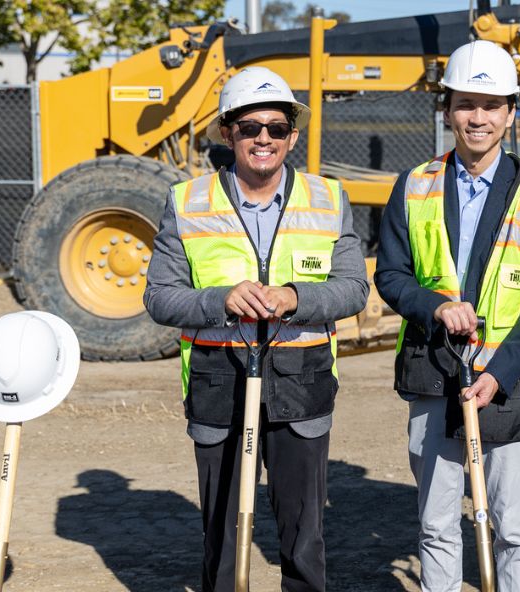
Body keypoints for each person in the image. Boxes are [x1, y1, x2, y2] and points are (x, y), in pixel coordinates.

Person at [144, 66, 369, 591]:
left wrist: (296, 298)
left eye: (275, 127)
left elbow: (354, 289)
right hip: (218, 385)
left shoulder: (329, 200)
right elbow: (159, 296)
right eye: (249, 127)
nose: (262, 138)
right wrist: (219, 299)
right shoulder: (187, 203)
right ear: (228, 133)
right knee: (222, 539)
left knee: (303, 539)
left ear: (292, 135)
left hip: (302, 384)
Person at [373, 40, 520, 592]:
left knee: (512, 524)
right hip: (433, 371)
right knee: (437, 522)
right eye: (465, 103)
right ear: (447, 110)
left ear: (511, 113)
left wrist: (498, 373)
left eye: (490, 105)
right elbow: (390, 275)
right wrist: (436, 307)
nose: (477, 118)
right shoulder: (414, 187)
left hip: (508, 380)